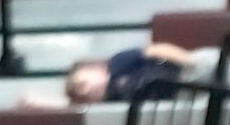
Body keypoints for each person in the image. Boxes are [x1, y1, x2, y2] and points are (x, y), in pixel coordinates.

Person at [63, 43, 196, 107]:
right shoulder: (112, 107)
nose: (86, 91)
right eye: (81, 96)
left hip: (183, 72)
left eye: (83, 84)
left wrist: (192, 63)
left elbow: (158, 50)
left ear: (96, 69)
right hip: (178, 102)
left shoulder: (118, 63)